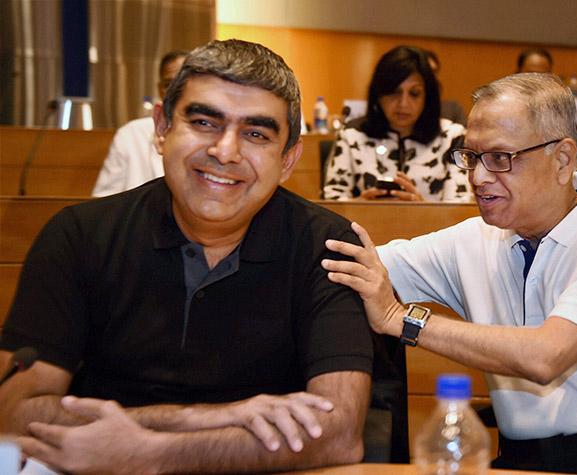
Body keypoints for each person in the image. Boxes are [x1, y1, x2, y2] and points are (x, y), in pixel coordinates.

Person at [0, 39, 374, 474]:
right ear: (161, 129)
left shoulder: (329, 247)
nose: (225, 151)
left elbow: (339, 433)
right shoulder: (79, 235)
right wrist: (201, 417)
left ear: (288, 158)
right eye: (204, 122)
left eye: (256, 134)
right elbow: (13, 410)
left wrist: (148, 453)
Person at [322, 73, 577, 474]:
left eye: (500, 158)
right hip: (520, 457)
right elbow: (358, 266)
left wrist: (402, 320)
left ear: (563, 159)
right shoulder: (475, 239)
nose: (478, 177)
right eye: (471, 157)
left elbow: (547, 355)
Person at [323, 45, 471, 202]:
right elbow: (332, 204)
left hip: (434, 227)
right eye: (394, 92)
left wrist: (422, 210)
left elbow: (458, 211)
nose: (403, 104)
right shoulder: (352, 135)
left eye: (414, 94)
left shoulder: (451, 137)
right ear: (378, 95)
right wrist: (359, 206)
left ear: (428, 97)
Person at [91, 50, 188, 197]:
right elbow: (103, 200)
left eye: (183, 83)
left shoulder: (213, 140)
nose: (175, 91)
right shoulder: (130, 134)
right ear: (160, 90)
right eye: (168, 84)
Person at [423, 49, 467, 125]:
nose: (430, 76)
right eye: (426, 70)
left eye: (433, 72)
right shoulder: (403, 109)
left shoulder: (453, 109)